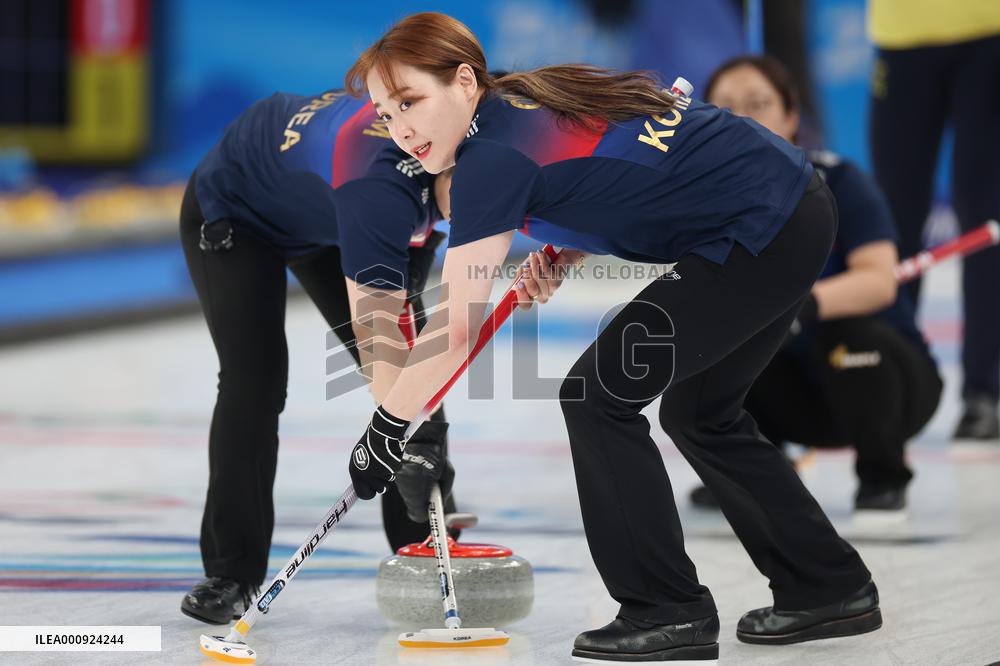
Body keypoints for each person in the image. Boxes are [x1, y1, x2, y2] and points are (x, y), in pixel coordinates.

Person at [341, 12, 881, 664]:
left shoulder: (489, 159)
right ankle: (828, 585)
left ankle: (667, 609)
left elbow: (454, 326)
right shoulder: (520, 99)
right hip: (788, 208)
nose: (400, 129)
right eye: (385, 113)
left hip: (759, 228)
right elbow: (621, 166)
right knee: (701, 413)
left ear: (462, 81)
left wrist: (387, 427)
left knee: (596, 396)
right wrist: (572, 242)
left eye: (409, 101)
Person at [178, 88, 461, 625]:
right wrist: (410, 435)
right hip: (239, 208)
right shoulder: (380, 182)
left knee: (418, 376)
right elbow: (380, 341)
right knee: (255, 380)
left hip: (323, 211)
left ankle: (424, 549)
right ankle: (231, 572)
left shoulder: (453, 147)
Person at [682, 55, 942, 517]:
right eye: (725, 107)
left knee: (846, 335)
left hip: (886, 382)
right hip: (794, 393)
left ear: (790, 117)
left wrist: (803, 306)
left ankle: (882, 475)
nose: (742, 119)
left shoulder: (839, 181)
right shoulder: (702, 204)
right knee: (716, 343)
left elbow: (879, 281)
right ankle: (752, 467)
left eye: (758, 104)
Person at [868, 0, 1000, 440]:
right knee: (891, 222)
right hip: (901, 35)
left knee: (985, 222)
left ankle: (983, 392)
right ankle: (891, 381)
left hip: (989, 31)